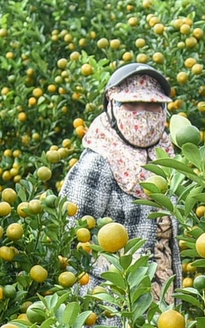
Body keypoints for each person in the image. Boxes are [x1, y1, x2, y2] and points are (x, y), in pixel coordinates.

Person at [60, 62, 181, 307]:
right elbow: (69, 237)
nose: (142, 113)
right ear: (112, 107)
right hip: (111, 302)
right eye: (131, 104)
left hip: (162, 296)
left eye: (152, 105)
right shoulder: (98, 163)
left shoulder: (166, 158)